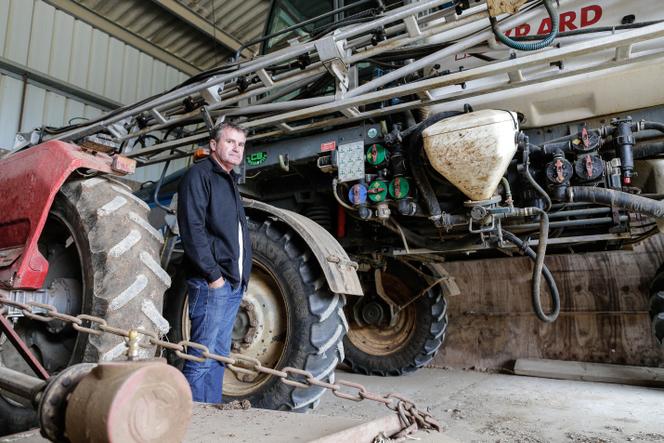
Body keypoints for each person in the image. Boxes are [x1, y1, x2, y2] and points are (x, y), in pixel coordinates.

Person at [176, 122, 253, 403]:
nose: (236, 149)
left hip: (231, 285)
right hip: (212, 285)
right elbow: (192, 229)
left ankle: (211, 416)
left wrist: (240, 279)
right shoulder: (199, 176)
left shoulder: (230, 181)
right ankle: (192, 421)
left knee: (218, 356)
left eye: (241, 144)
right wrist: (214, 277)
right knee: (200, 357)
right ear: (213, 145)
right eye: (230, 142)